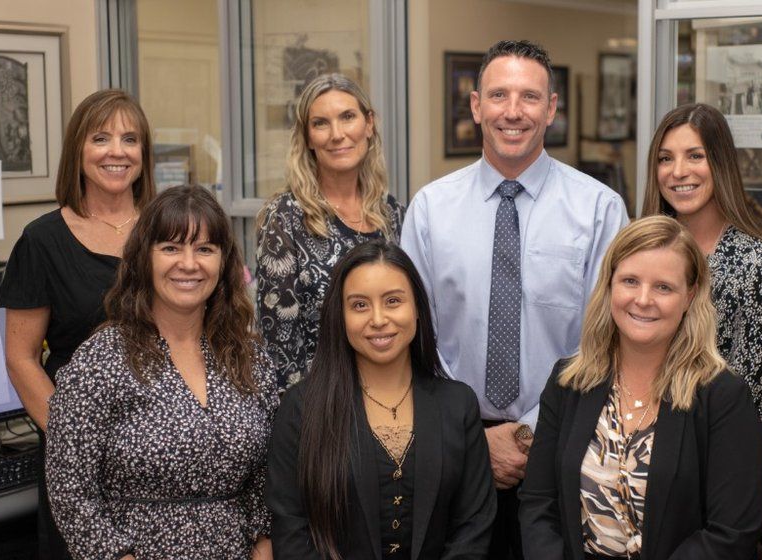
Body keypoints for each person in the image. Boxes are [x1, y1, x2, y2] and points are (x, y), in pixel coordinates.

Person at [401, 39, 628, 559]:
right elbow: (411, 332)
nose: (513, 111)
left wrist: (526, 435)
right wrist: (470, 436)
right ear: (476, 105)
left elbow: (607, 337)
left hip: (562, 439)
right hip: (453, 445)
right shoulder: (431, 209)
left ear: (551, 109)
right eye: (499, 95)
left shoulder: (599, 209)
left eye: (529, 97)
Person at [45, 185, 278, 560]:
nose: (189, 263)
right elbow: (71, 491)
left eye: (205, 249)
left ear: (223, 262)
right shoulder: (100, 361)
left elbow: (265, 479)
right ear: (143, 258)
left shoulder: (248, 356)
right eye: (170, 248)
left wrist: (263, 547)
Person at [519, 215, 762, 559]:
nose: (643, 299)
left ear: (690, 295)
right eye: (630, 281)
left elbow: (732, 531)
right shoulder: (569, 381)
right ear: (609, 285)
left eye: (663, 287)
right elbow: (538, 504)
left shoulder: (722, 395)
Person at [0, 88, 155, 559]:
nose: (116, 151)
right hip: (80, 452)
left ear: (144, 153)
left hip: (164, 444)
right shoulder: (42, 240)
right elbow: (20, 357)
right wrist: (73, 438)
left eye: (130, 139)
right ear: (78, 151)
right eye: (100, 138)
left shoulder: (166, 231)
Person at [267, 240, 496, 559]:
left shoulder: (458, 406)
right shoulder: (301, 409)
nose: (378, 319)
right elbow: (292, 530)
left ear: (417, 308)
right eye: (359, 305)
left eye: (393, 301)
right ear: (340, 316)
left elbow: (473, 526)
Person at [256, 73, 404, 390]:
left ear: (369, 124)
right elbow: (280, 346)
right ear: (308, 138)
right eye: (321, 123)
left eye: (347, 117)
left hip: (393, 395)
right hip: (321, 404)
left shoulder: (394, 215)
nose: (337, 134)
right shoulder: (285, 218)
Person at [641, 103, 762, 422]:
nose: (677, 172)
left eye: (695, 156)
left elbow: (753, 392)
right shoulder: (638, 252)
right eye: (665, 158)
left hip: (713, 446)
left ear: (720, 163)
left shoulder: (759, 262)